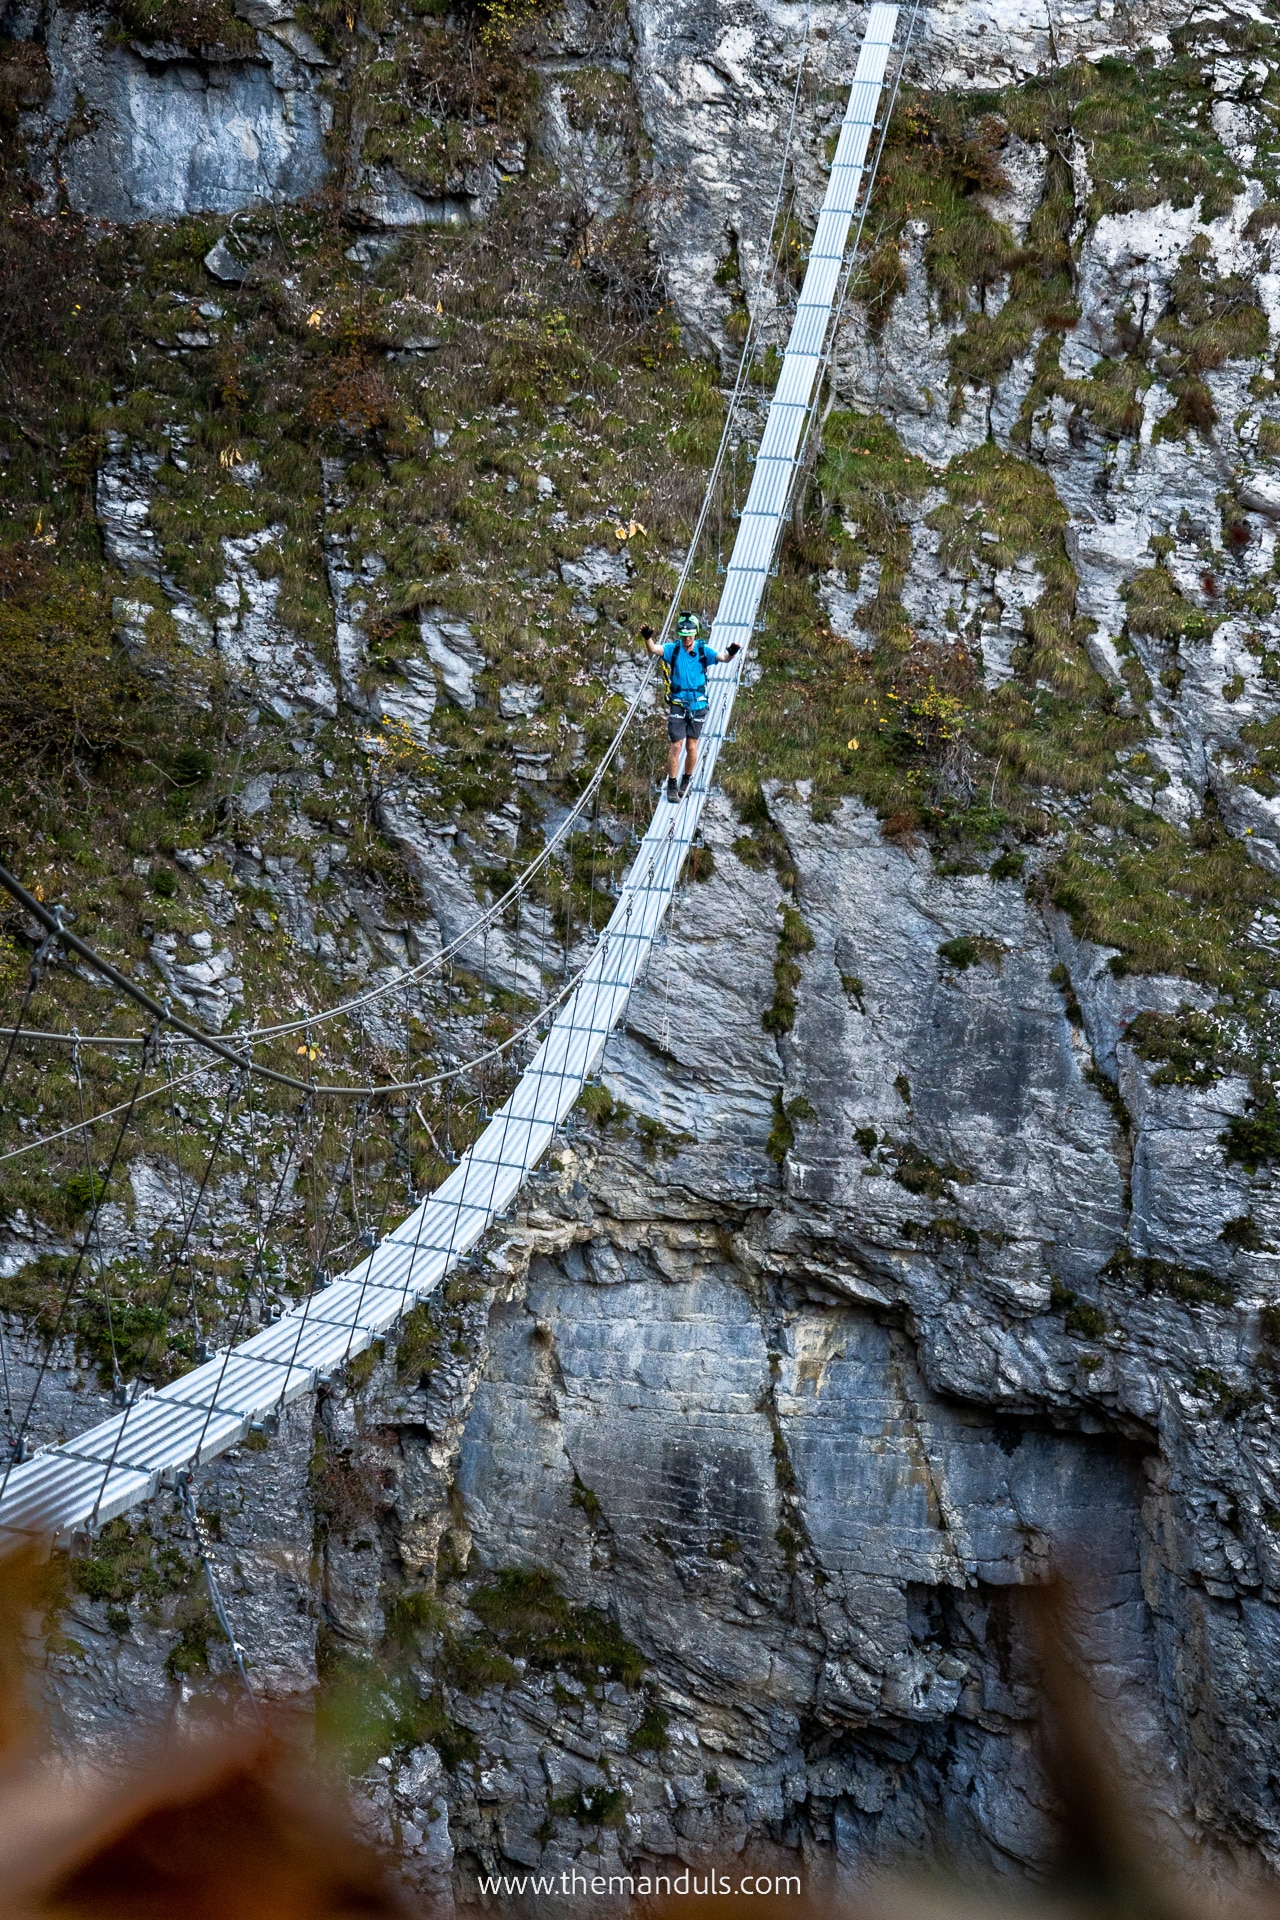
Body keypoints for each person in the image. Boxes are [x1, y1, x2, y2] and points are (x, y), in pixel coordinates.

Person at [640, 614, 740, 802]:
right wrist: (647, 638)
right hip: (678, 704)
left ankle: (686, 781)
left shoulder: (704, 650)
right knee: (676, 745)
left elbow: (723, 658)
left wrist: (732, 653)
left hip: (698, 705)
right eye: (683, 635)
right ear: (679, 634)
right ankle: (671, 784)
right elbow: (654, 649)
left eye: (690, 635)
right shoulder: (673, 649)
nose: (687, 639)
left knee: (692, 745)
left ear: (695, 634)